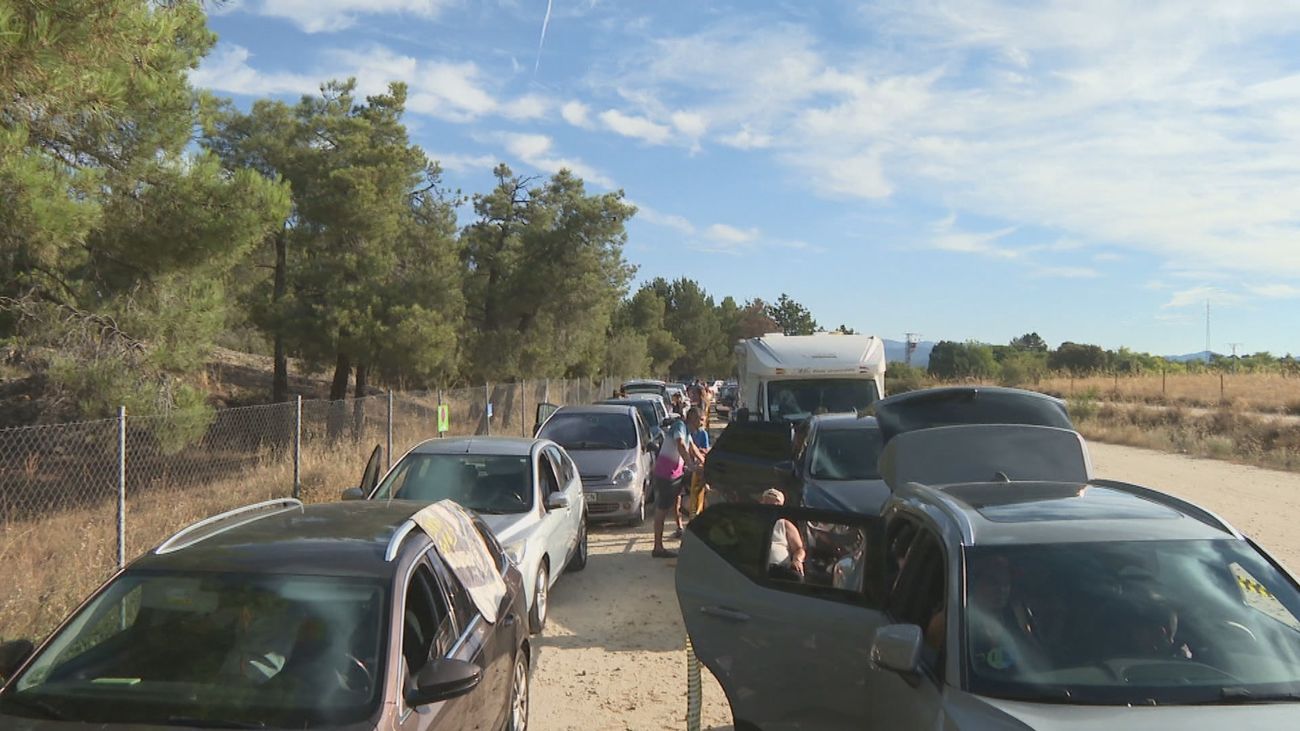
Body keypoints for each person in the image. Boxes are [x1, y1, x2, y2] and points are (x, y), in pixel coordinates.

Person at [652, 416, 700, 558]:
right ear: (694, 419)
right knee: (662, 508)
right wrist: (691, 465)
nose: (702, 423)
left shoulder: (688, 433)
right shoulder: (680, 427)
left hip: (675, 473)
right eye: (701, 419)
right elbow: (681, 445)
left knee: (677, 499)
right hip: (666, 474)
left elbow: (693, 448)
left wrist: (704, 461)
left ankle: (679, 528)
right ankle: (658, 547)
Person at [761, 488, 805, 581]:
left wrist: (797, 560)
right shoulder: (752, 520)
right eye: (767, 503)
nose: (771, 507)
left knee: (797, 578)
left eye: (775, 504)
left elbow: (799, 549)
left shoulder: (785, 524)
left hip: (780, 568)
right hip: (755, 567)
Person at [685, 406, 711, 518]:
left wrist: (699, 451)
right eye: (699, 419)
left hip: (698, 461)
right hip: (687, 461)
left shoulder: (703, 433)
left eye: (702, 420)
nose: (701, 422)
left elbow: (705, 450)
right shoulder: (686, 432)